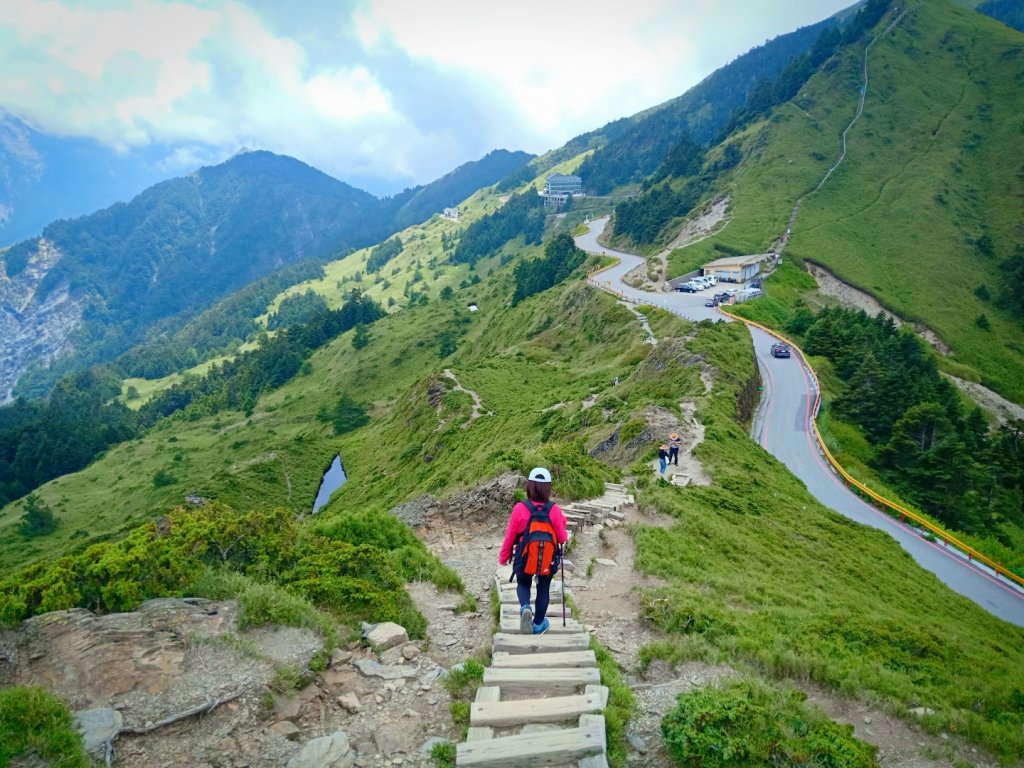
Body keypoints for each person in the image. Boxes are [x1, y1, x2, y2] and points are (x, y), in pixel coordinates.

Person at [499, 467, 568, 635]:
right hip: (547, 560)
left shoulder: (520, 509)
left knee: (523, 583)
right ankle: (538, 624)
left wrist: (503, 558)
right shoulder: (554, 510)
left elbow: (510, 536)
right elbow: (563, 537)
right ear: (548, 488)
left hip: (524, 558)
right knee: (543, 588)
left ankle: (525, 607)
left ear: (529, 486)